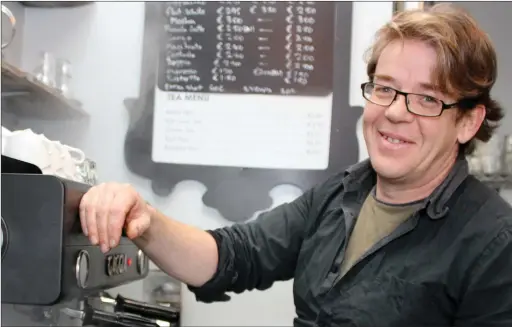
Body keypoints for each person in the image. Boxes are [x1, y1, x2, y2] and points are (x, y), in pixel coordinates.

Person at [80, 4, 512, 326]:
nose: (396, 112)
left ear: (468, 121)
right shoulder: (340, 194)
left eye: (427, 99)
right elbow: (234, 255)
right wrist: (145, 219)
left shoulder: (494, 243)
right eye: (385, 88)